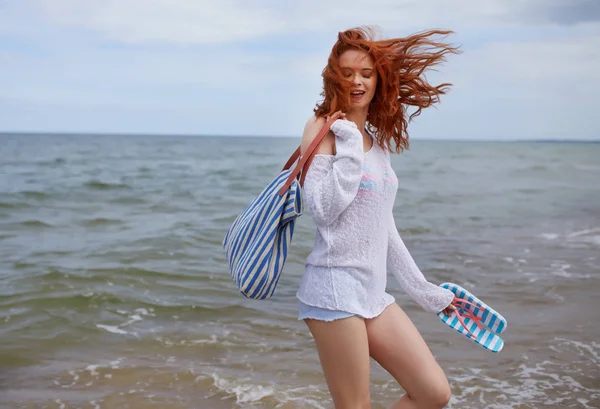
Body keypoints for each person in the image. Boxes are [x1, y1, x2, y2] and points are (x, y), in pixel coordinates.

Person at [296, 27, 460, 409]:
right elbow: (322, 210)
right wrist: (349, 148)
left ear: (378, 80)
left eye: (366, 73)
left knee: (433, 392)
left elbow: (384, 228)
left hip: (372, 293)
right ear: (333, 77)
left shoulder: (377, 143)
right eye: (347, 73)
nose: (357, 81)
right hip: (333, 291)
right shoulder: (322, 130)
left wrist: (425, 292)